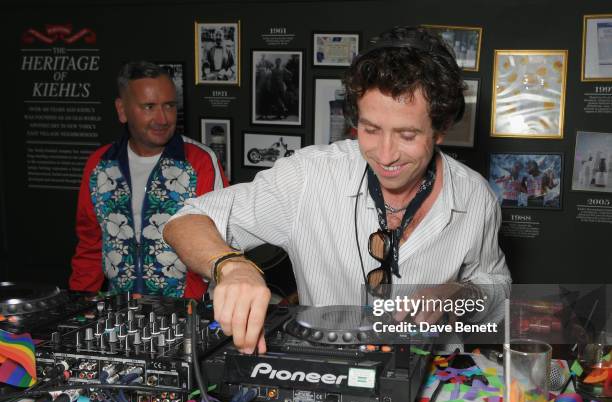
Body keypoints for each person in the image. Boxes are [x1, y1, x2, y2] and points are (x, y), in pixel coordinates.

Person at [163, 26, 511, 353]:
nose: (386, 155)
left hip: (435, 386)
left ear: (441, 129)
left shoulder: (475, 197)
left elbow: (497, 292)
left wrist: (458, 293)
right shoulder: (309, 176)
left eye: (407, 135)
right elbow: (186, 219)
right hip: (326, 387)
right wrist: (230, 266)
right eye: (370, 129)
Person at [70, 61, 227, 298]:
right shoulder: (99, 166)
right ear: (122, 110)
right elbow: (90, 246)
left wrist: (197, 312)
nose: (162, 119)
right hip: (118, 313)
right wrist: (78, 305)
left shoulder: (199, 162)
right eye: (149, 107)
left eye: (169, 106)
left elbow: (220, 244)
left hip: (185, 314)